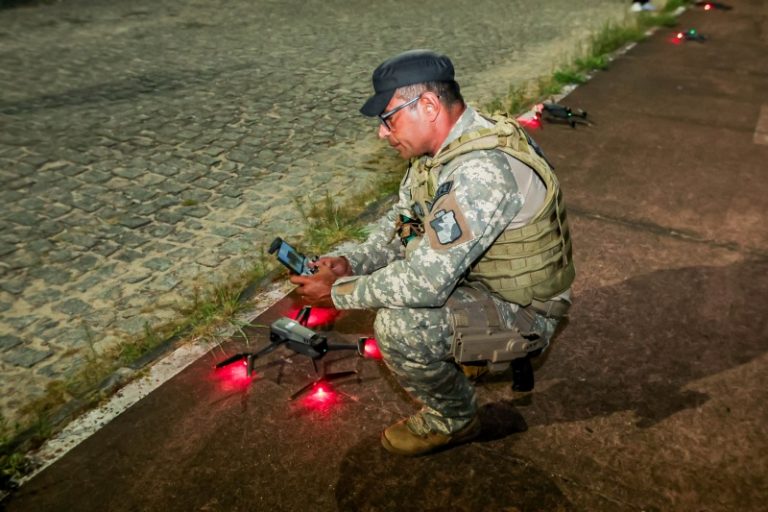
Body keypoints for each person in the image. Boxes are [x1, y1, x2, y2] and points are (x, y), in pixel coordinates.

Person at [291, 50, 574, 456]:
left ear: (428, 105)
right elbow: (405, 223)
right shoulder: (440, 153)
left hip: (527, 308)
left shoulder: (479, 172)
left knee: (401, 326)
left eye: (389, 119)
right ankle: (464, 346)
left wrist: (337, 292)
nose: (383, 133)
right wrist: (351, 261)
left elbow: (425, 284)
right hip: (482, 280)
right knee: (405, 279)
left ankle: (455, 420)